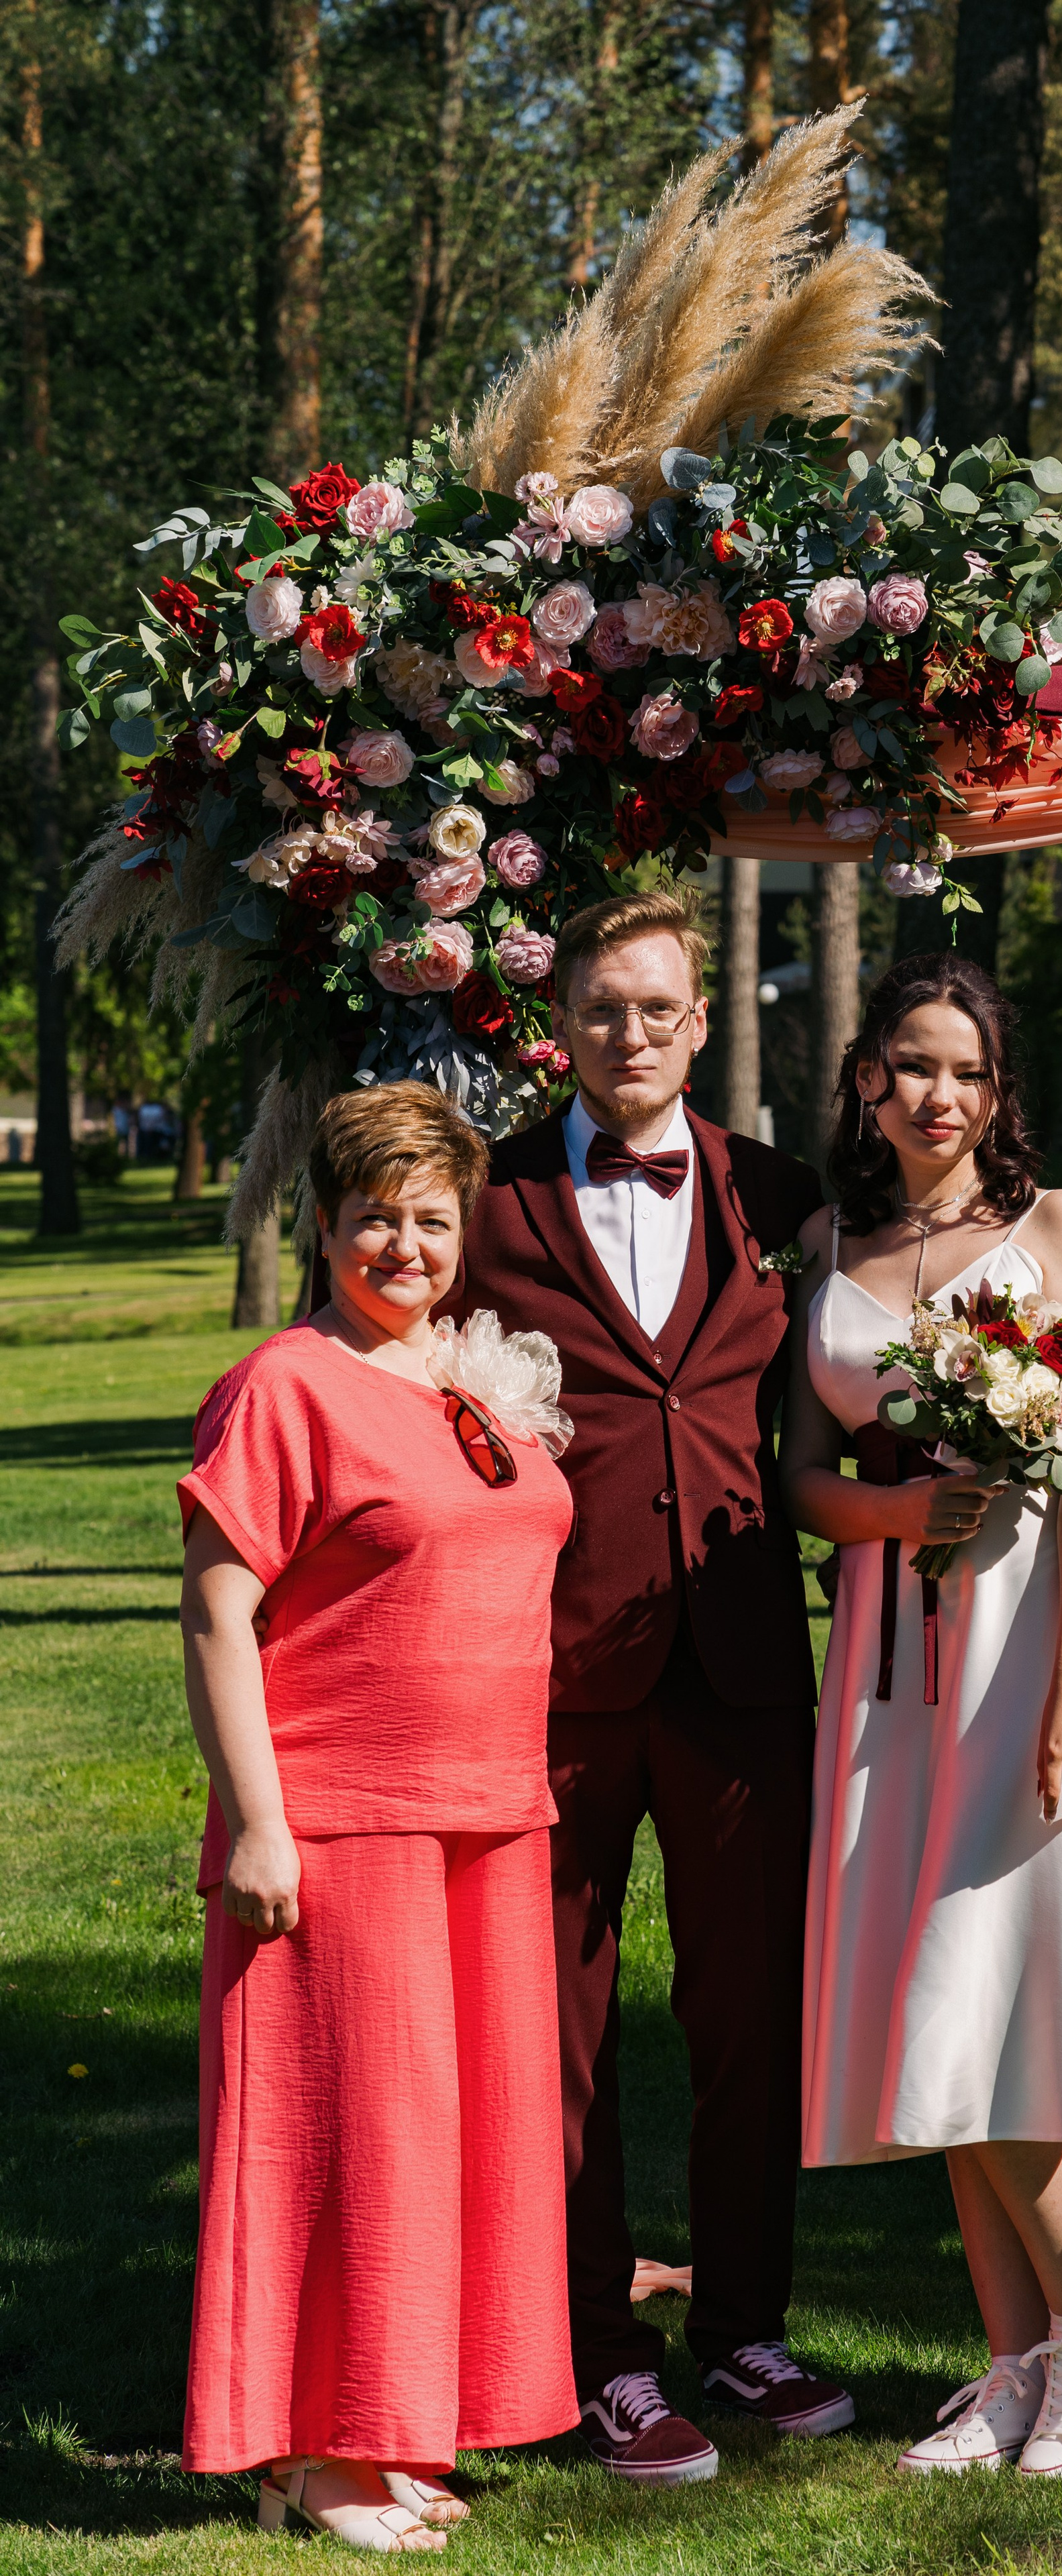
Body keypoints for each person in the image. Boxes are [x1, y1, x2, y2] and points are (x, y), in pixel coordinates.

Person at [780, 953, 1062, 2481]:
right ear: (866, 1079)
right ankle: (1013, 2365)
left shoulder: (1055, 1230)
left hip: (1035, 1643)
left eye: (962, 1068)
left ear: (994, 1088)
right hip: (893, 1662)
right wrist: (889, 1508)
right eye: (908, 1062)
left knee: (983, 1986)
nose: (935, 1093)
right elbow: (797, 1483)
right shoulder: (825, 1242)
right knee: (927, 2000)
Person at [448, 886, 852, 2487]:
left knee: (750, 2006)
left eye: (659, 1010)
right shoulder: (478, 1206)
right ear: (560, 1026)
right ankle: (597, 2348)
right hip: (545, 1668)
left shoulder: (782, 1194)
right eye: (601, 1009)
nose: (630, 1035)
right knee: (561, 2023)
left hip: (743, 1659)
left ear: (701, 1022)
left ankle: (743, 2321)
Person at [178, 1082, 578, 2552]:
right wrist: (258, 1827)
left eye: (429, 1220)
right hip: (345, 1816)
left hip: (489, 1814)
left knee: (451, 2146)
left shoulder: (461, 1379)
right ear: (323, 1227)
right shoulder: (285, 1384)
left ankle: (390, 2423)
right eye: (373, 1221)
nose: (402, 1247)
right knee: (351, 2136)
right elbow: (219, 1616)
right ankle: (323, 2452)